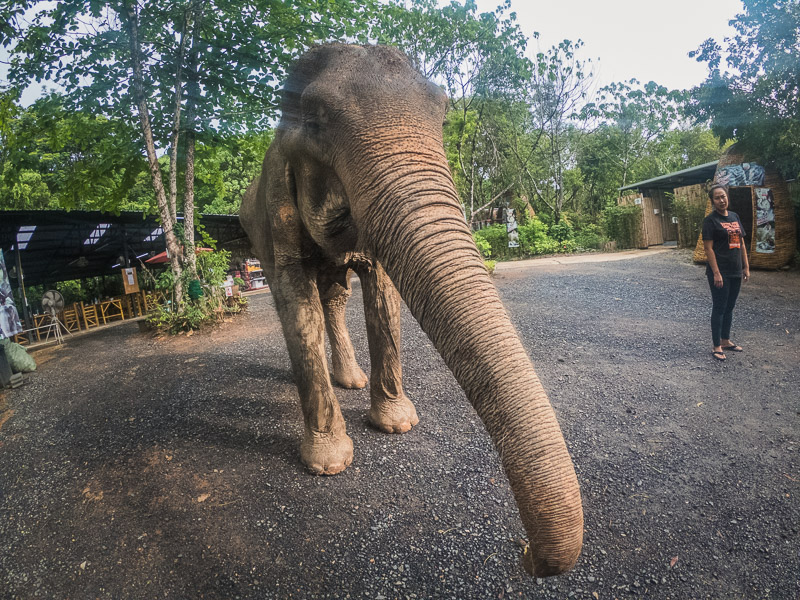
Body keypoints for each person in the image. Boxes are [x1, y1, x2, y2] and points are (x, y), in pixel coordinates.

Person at [702, 184, 750, 361]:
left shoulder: (734, 217)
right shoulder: (710, 221)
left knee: (730, 306)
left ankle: (725, 340)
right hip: (720, 271)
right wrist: (716, 272)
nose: (721, 200)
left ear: (727, 197)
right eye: (717, 198)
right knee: (720, 306)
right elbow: (709, 249)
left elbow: (741, 244)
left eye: (723, 196)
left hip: (735, 270)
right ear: (712, 201)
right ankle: (716, 345)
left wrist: (746, 266)